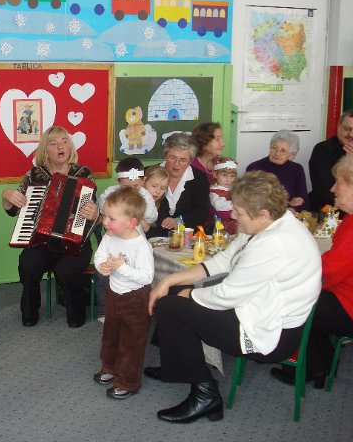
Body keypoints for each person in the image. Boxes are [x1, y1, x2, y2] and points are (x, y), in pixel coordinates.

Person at [145, 171, 321, 423]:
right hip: (257, 309)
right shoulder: (268, 224)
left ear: (263, 214)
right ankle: (178, 364)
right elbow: (223, 261)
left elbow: (226, 295)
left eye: (239, 212)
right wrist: (170, 280)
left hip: (270, 331)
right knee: (172, 292)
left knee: (171, 306)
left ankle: (205, 395)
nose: (233, 216)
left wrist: (190, 294)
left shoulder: (275, 243)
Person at [1, 126, 99, 328]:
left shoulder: (83, 174)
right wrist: (6, 196)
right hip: (42, 242)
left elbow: (93, 216)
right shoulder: (35, 175)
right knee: (27, 263)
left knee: (66, 269)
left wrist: (95, 214)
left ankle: (76, 314)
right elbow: (13, 210)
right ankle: (29, 312)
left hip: (75, 243)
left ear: (70, 147)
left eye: (64, 142)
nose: (60, 147)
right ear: (45, 151)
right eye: (53, 143)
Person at [271, 153, 353, 388]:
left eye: (339, 183)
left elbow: (328, 272)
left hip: (348, 305)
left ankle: (306, 366)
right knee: (306, 299)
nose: (333, 189)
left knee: (289, 299)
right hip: (343, 295)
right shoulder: (350, 219)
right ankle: (319, 364)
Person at [92, 187, 154, 400]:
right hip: (113, 294)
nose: (105, 222)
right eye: (105, 216)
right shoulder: (110, 237)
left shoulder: (141, 245)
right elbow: (100, 256)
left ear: (131, 222)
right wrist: (102, 267)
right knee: (110, 334)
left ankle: (128, 382)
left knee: (131, 342)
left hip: (135, 300)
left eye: (111, 218)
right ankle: (109, 367)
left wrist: (121, 268)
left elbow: (146, 277)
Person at [94, 157, 157, 322]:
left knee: (132, 272)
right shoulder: (111, 193)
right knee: (103, 275)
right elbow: (103, 209)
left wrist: (137, 208)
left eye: (136, 186)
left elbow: (152, 216)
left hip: (133, 240)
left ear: (143, 181)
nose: (131, 191)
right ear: (118, 181)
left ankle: (135, 308)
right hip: (114, 238)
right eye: (126, 188)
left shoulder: (144, 195)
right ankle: (103, 310)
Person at [145, 132, 210, 239]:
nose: (176, 164)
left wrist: (180, 220)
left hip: (187, 238)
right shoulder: (148, 173)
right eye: (172, 157)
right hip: (151, 237)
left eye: (183, 160)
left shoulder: (199, 178)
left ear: (190, 161)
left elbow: (203, 211)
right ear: (165, 155)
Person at [246, 130, 309, 212]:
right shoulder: (254, 168)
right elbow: (249, 201)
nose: (277, 153)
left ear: (291, 155)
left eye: (283, 150)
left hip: (288, 217)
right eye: (274, 148)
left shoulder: (297, 169)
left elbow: (303, 204)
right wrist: (288, 205)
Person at [308, 110, 353, 211]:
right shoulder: (323, 150)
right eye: (347, 129)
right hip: (327, 210)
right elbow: (324, 192)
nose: (351, 134)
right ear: (338, 126)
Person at [209, 157, 238, 234]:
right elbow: (219, 205)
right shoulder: (213, 191)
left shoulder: (235, 190)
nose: (228, 179)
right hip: (220, 224)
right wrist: (238, 205)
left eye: (232, 176)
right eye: (224, 175)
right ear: (215, 175)